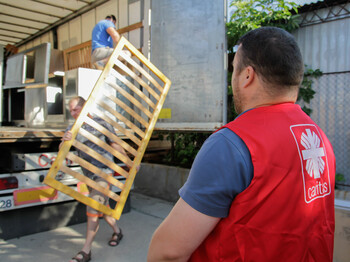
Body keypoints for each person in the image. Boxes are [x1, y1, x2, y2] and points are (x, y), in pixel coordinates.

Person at [147, 27, 336, 262]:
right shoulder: (319, 138)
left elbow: (167, 252)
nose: (232, 78)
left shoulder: (231, 144)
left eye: (234, 69)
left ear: (248, 75)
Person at [62, 96, 126, 262]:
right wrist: (65, 142)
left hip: (104, 172)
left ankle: (86, 251)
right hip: (89, 176)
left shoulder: (101, 123)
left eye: (75, 109)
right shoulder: (72, 128)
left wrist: (129, 163)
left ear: (84, 107)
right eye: (71, 110)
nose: (73, 113)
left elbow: (115, 144)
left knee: (93, 206)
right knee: (103, 208)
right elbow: (63, 151)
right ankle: (117, 232)